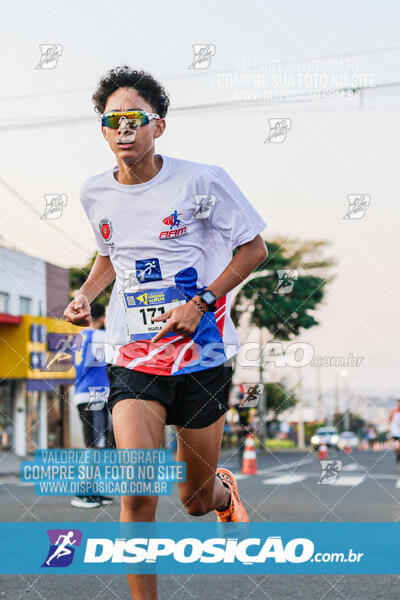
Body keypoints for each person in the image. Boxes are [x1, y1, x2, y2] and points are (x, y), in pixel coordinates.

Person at [64, 66, 268, 599]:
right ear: (103, 130)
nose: (123, 129)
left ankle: (224, 494)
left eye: (135, 118)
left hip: (202, 356)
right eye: (113, 120)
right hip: (134, 356)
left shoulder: (202, 180)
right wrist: (87, 293)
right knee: (136, 490)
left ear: (159, 126)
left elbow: (254, 250)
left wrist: (201, 302)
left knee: (193, 500)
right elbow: (111, 256)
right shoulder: (94, 193)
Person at [71, 303, 114, 508]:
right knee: (95, 445)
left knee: (96, 444)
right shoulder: (99, 336)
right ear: (102, 318)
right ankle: (84, 493)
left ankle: (93, 490)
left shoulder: (79, 338)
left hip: (82, 394)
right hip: (94, 395)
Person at [389, 399, 400, 470]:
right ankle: (398, 460)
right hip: (396, 433)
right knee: (397, 448)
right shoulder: (393, 412)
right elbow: (389, 421)